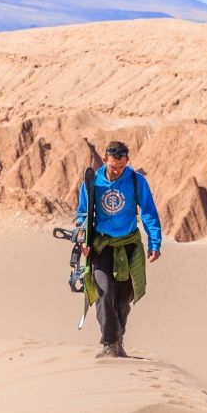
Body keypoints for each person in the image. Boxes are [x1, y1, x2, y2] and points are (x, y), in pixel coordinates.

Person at [74, 141, 162, 358]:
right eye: (113, 166)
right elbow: (83, 214)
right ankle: (110, 343)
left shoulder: (135, 180)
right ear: (104, 161)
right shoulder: (93, 182)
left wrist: (155, 242)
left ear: (126, 163)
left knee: (123, 299)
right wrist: (82, 239)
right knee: (103, 293)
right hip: (101, 246)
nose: (116, 171)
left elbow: (149, 212)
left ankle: (117, 338)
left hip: (128, 246)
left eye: (121, 166)